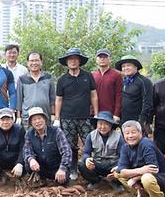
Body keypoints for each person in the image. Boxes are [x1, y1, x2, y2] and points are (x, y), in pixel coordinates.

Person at [113, 120, 165, 197]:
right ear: (123, 135)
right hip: (142, 177)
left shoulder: (146, 144)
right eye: (127, 133)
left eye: (133, 132)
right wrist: (141, 170)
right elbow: (122, 171)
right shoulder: (125, 147)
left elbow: (154, 170)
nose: (130, 136)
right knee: (117, 173)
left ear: (140, 133)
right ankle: (145, 195)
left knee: (147, 177)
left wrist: (134, 178)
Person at [55, 48, 98, 180]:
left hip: (85, 116)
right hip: (67, 117)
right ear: (67, 62)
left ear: (79, 61)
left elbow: (93, 95)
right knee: (70, 145)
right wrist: (57, 118)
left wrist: (96, 114)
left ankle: (92, 170)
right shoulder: (62, 79)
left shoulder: (87, 76)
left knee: (90, 142)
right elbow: (59, 99)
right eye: (70, 59)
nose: (73, 62)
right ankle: (72, 169)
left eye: (75, 59)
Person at [22, 107, 72, 185]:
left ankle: (57, 179)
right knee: (28, 164)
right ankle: (41, 179)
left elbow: (67, 152)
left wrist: (62, 168)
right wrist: (31, 159)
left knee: (63, 181)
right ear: (31, 123)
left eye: (39, 118)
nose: (37, 121)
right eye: (34, 119)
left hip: (57, 167)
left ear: (45, 119)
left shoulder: (57, 132)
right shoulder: (29, 133)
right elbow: (27, 150)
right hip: (41, 167)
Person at [78, 111, 125, 191]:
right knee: (82, 165)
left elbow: (123, 156)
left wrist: (118, 167)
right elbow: (86, 153)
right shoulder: (91, 135)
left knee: (124, 166)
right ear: (96, 124)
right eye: (100, 124)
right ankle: (96, 181)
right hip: (97, 164)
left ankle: (115, 182)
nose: (103, 127)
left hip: (112, 165)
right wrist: (87, 159)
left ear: (111, 125)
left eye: (106, 124)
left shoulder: (118, 137)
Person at [115, 55, 153, 136]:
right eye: (123, 66)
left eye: (128, 65)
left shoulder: (144, 81)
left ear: (136, 67)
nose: (126, 68)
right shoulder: (124, 82)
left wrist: (142, 120)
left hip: (137, 121)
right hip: (124, 120)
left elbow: (147, 103)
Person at [16, 51, 55, 128]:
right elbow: (19, 100)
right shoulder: (22, 79)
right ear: (27, 63)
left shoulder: (48, 77)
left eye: (37, 60)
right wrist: (18, 117)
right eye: (32, 61)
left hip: (45, 117)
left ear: (41, 62)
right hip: (28, 118)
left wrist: (53, 114)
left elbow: (52, 98)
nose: (34, 63)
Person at [0, 108, 25, 182]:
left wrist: (19, 163)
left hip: (15, 159)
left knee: (27, 161)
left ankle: (21, 177)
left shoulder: (20, 130)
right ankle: (1, 175)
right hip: (1, 160)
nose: (5, 122)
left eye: (8, 119)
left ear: (13, 120)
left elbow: (23, 149)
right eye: (2, 120)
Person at [92, 49, 122, 123]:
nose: (102, 59)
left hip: (110, 113)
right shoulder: (92, 75)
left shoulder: (117, 75)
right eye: (100, 57)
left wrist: (116, 113)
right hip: (94, 113)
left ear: (110, 59)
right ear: (96, 60)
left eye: (105, 57)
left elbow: (119, 95)